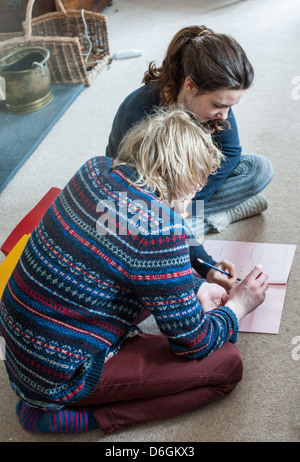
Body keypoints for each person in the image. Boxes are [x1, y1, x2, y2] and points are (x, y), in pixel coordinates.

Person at [0, 106, 269, 435]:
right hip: (58, 374)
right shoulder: (162, 230)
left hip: (23, 342)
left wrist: (196, 286)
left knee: (155, 288)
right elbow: (194, 342)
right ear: (184, 178)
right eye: (197, 185)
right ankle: (69, 416)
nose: (197, 194)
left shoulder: (94, 168)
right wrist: (237, 307)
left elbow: (122, 251)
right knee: (227, 365)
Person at [106, 25, 273, 291]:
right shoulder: (139, 117)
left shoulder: (216, 97)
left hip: (182, 193)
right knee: (142, 238)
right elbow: (136, 198)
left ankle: (192, 221)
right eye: (219, 105)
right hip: (148, 197)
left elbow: (231, 153)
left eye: (231, 106)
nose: (225, 115)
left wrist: (191, 199)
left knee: (259, 169)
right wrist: (198, 255)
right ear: (190, 85)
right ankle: (199, 222)